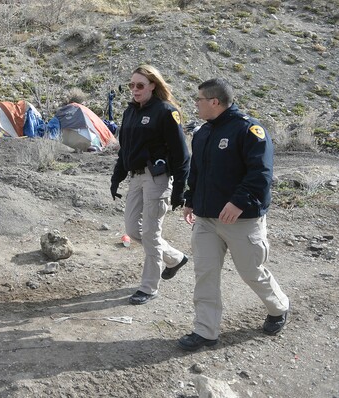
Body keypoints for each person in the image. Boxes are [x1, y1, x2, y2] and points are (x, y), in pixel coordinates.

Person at [177, 78, 290, 351]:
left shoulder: (249, 130)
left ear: (214, 101)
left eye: (199, 99)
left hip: (242, 220)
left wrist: (239, 202)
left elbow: (261, 173)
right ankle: (205, 331)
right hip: (206, 219)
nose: (195, 103)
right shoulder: (202, 133)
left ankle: (279, 307)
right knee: (205, 273)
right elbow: (197, 173)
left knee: (251, 271)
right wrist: (190, 200)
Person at [110, 65, 191, 305]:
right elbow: (125, 149)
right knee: (134, 230)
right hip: (135, 177)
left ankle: (148, 287)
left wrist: (180, 190)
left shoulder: (166, 112)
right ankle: (175, 258)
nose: (134, 90)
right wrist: (117, 177)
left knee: (152, 234)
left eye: (140, 85)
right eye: (131, 85)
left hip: (157, 178)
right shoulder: (130, 112)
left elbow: (181, 154)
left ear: (153, 86)